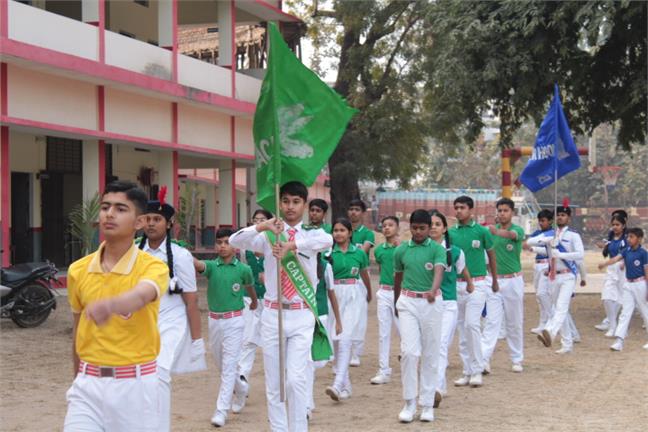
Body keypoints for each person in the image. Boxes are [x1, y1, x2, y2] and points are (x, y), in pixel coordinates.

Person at [64, 181, 169, 431]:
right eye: (105, 207)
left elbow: (143, 294)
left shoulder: (153, 267)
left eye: (121, 209)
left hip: (135, 388)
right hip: (87, 387)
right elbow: (79, 331)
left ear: (139, 222)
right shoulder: (78, 270)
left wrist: (112, 305)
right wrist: (78, 378)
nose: (109, 214)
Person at [229, 181, 333, 432]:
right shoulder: (269, 234)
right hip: (273, 314)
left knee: (296, 380)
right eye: (285, 201)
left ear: (304, 205)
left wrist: (292, 245)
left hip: (302, 314)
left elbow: (327, 240)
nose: (290, 207)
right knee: (275, 383)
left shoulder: (312, 234)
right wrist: (262, 225)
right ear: (279, 203)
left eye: (296, 202)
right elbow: (235, 240)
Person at [138, 187, 204, 432]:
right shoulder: (132, 253)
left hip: (171, 321)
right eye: (147, 219)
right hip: (141, 322)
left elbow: (191, 300)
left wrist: (197, 340)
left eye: (157, 219)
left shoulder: (180, 255)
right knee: (139, 378)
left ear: (168, 224)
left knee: (160, 372)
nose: (151, 223)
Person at [193, 228, 258, 427]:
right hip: (214, 320)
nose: (222, 246)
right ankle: (241, 387)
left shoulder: (243, 269)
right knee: (221, 363)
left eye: (226, 242)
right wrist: (181, 253)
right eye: (219, 242)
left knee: (229, 366)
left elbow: (249, 287)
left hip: (235, 321)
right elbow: (199, 265)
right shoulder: (213, 266)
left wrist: (255, 302)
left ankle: (221, 410)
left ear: (235, 246)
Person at [393, 209, 446, 423]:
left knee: (431, 353)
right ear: (410, 227)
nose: (418, 232)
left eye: (422, 228)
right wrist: (396, 302)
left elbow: (439, 271)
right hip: (407, 302)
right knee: (409, 352)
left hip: (431, 303)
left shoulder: (437, 249)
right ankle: (409, 403)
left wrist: (433, 289)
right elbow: (398, 278)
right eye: (414, 228)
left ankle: (427, 405)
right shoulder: (401, 250)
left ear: (429, 228)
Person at [449, 195, 498, 388]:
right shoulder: (450, 233)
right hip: (457, 284)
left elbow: (492, 256)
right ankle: (467, 370)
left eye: (462, 207)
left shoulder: (482, 231)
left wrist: (494, 280)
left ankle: (477, 369)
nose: (458, 211)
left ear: (471, 210)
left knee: (472, 325)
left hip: (478, 283)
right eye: (456, 207)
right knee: (462, 328)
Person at [428, 209, 473, 403]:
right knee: (430, 346)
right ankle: (440, 386)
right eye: (430, 224)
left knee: (441, 344)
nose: (433, 228)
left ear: (445, 228)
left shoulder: (455, 252)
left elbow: (462, 269)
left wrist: (470, 284)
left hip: (447, 303)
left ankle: (436, 388)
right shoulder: (421, 251)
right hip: (427, 304)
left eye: (437, 224)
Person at [325, 218, 372, 401]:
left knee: (345, 338)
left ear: (350, 233)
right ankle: (346, 386)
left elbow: (364, 273)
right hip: (334, 295)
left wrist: (369, 292)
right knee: (336, 341)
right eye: (335, 230)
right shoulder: (328, 254)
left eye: (342, 230)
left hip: (353, 295)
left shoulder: (359, 253)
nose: (338, 233)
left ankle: (337, 384)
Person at [530, 201, 584, 354]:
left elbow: (580, 254)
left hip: (568, 275)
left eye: (563, 215)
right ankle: (567, 344)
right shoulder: (551, 235)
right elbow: (542, 248)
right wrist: (535, 247)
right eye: (558, 215)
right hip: (554, 276)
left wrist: (562, 254)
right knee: (561, 310)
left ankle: (550, 332)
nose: (560, 217)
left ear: (569, 218)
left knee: (561, 307)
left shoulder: (573, 235)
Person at [232, 209, 272, 414]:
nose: (259, 223)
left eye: (263, 220)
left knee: (273, 345)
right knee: (247, 341)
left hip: (272, 302)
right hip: (250, 300)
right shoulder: (244, 250)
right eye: (256, 221)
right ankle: (242, 382)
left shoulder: (276, 244)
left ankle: (281, 385)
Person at [481, 198, 525, 373]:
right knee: (491, 322)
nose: (502, 214)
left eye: (505, 210)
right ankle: (484, 360)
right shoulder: (490, 233)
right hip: (493, 281)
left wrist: (496, 232)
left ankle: (517, 359)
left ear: (512, 212)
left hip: (513, 281)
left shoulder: (517, 230)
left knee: (514, 322)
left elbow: (512, 236)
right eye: (499, 210)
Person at [598, 227, 648, 351]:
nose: (629, 239)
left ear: (639, 239)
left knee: (645, 312)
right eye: (628, 236)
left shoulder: (643, 253)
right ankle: (619, 341)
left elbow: (647, 271)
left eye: (632, 237)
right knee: (625, 313)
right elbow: (615, 259)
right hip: (628, 284)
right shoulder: (626, 251)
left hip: (640, 284)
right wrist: (604, 264)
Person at [306, 254, 342, 418]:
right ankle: (307, 404)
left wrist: (338, 320)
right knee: (306, 361)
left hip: (320, 316)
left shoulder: (326, 266)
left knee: (317, 361)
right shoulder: (296, 263)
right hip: (302, 315)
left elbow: (331, 294)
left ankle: (307, 401)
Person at [370, 216, 401, 385]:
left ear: (398, 228)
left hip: (401, 293)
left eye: (391, 225)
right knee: (383, 333)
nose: (387, 228)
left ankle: (409, 360)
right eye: (384, 225)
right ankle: (383, 370)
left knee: (404, 330)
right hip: (384, 292)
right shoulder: (379, 250)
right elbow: (383, 268)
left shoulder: (404, 248)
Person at [347, 198, 375, 366]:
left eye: (357, 209)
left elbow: (360, 255)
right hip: (342, 278)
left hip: (359, 279)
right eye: (351, 209)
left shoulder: (367, 233)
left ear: (363, 213)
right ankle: (342, 350)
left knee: (358, 317)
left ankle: (356, 353)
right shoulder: (342, 229)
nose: (353, 212)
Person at [594, 209, 629, 331]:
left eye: (617, 224)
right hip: (612, 268)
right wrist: (603, 245)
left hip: (622, 268)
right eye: (613, 224)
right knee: (608, 295)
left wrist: (624, 262)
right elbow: (610, 248)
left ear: (624, 224)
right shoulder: (611, 236)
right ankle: (610, 321)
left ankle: (611, 322)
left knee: (621, 296)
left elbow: (626, 253)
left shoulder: (627, 237)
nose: (614, 227)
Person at [526, 210, 554, 335]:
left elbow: (548, 251)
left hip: (546, 264)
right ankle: (543, 323)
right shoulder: (537, 233)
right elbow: (529, 242)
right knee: (539, 296)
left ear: (550, 221)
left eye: (543, 221)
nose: (541, 223)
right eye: (540, 221)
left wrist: (534, 248)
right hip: (537, 265)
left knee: (543, 294)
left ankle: (552, 321)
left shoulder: (552, 234)